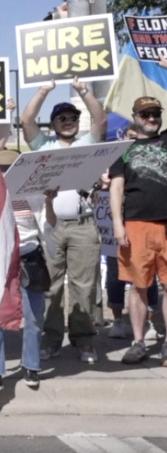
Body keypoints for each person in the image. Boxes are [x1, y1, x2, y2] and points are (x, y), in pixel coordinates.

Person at [20, 77, 106, 363]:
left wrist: (84, 91)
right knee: (52, 287)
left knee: (84, 287)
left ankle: (84, 341)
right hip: (50, 227)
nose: (68, 122)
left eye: (72, 117)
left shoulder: (87, 143)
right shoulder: (43, 146)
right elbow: (26, 119)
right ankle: (52, 340)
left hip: (84, 226)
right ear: (53, 123)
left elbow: (100, 119)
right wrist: (44, 90)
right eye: (61, 118)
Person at [0, 166, 55, 395]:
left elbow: (50, 225)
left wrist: (49, 201)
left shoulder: (33, 193)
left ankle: (31, 366)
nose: (4, 172)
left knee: (33, 317)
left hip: (28, 257)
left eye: (8, 168)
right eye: (0, 168)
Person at [109, 96, 167, 365]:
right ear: (135, 116)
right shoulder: (123, 149)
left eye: (155, 113)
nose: (152, 118)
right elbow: (117, 187)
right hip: (136, 225)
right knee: (138, 287)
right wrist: (118, 223)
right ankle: (138, 342)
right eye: (145, 114)